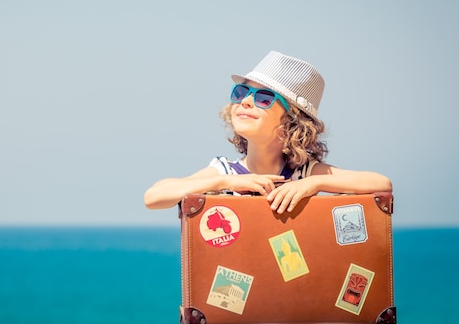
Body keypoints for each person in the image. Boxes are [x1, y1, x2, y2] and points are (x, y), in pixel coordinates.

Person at [143, 51, 392, 214]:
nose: (246, 101)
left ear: (293, 120)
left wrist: (315, 183)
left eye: (264, 97)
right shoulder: (224, 171)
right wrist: (226, 182)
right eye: (241, 92)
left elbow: (381, 183)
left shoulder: (304, 174)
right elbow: (154, 196)